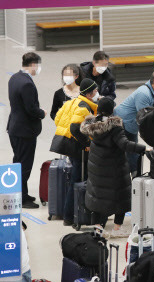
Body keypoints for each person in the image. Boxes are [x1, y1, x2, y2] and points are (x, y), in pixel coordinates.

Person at [81, 98, 147, 238]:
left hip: (97, 169)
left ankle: (98, 228)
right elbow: (124, 144)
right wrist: (142, 149)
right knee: (121, 198)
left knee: (98, 198)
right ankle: (117, 228)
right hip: (114, 169)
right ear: (112, 110)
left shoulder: (93, 125)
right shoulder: (114, 127)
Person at [51, 78, 98, 226]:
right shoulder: (84, 107)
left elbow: (57, 119)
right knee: (77, 181)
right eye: (96, 91)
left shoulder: (71, 102)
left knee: (75, 180)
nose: (97, 94)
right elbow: (74, 128)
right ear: (90, 94)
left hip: (67, 145)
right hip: (77, 148)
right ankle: (70, 216)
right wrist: (86, 143)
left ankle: (70, 214)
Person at [7, 52, 46, 209]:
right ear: (33, 64)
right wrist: (41, 113)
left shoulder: (14, 78)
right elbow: (31, 109)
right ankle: (22, 199)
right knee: (24, 165)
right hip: (24, 130)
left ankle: (21, 192)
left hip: (15, 127)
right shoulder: (27, 84)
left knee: (18, 162)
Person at [114, 69, 154, 175]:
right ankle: (135, 176)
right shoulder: (144, 93)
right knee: (132, 152)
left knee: (133, 152)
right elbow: (144, 118)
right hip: (124, 123)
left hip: (132, 125)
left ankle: (135, 174)